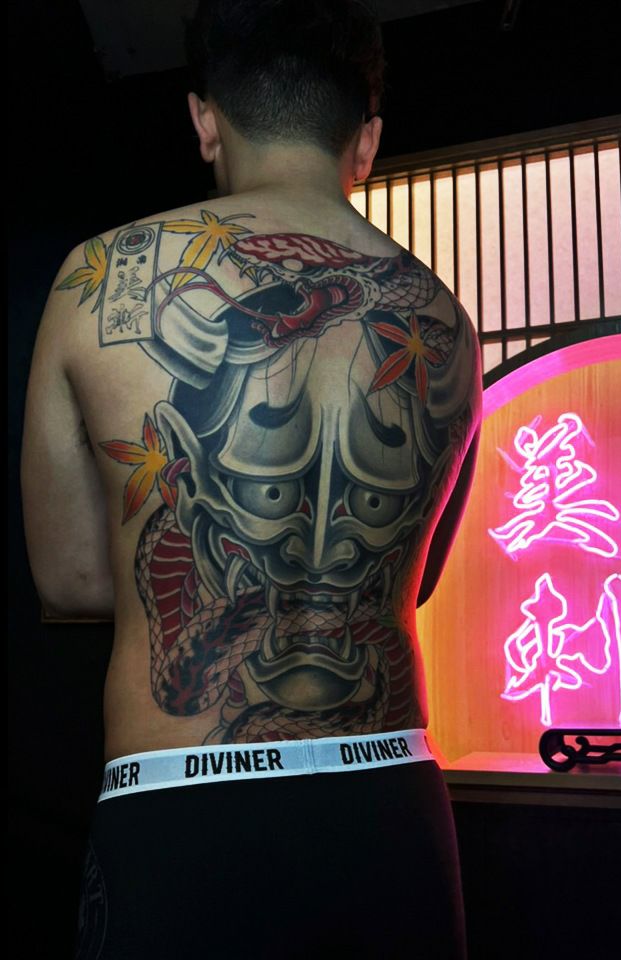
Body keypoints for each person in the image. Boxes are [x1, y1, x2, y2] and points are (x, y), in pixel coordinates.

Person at [20, 1, 482, 956]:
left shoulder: (98, 278)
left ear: (203, 119)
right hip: (390, 806)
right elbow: (418, 574)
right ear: (367, 140)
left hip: (182, 814)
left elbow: (72, 581)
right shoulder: (445, 322)